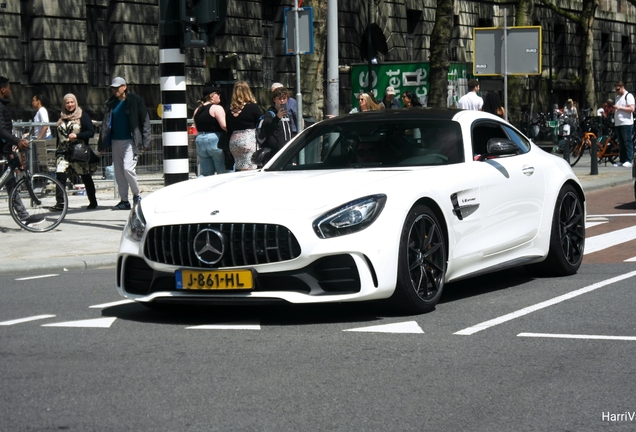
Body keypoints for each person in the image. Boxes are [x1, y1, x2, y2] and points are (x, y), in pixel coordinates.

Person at [98, 77, 151, 210]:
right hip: (115, 141)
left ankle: (137, 195)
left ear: (124, 87)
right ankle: (124, 200)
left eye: (117, 87)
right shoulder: (110, 103)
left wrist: (146, 140)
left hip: (130, 141)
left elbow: (145, 119)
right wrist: (102, 144)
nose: (115, 90)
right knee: (119, 172)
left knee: (128, 169)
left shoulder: (135, 100)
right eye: (113, 88)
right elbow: (105, 124)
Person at [0, 76, 45, 225]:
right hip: (2, 152)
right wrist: (17, 141)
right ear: (2, 90)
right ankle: (24, 216)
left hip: (5, 151)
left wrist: (12, 147)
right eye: (9, 88)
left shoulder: (3, 106)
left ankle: (24, 217)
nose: (10, 91)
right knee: (10, 183)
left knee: (11, 184)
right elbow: (1, 130)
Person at [52, 94, 98, 210]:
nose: (70, 105)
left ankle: (93, 201)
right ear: (64, 104)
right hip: (63, 152)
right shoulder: (62, 117)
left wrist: (77, 135)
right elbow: (58, 136)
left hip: (78, 152)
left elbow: (90, 132)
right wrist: (57, 152)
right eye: (67, 103)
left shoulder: (82, 115)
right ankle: (60, 204)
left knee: (85, 176)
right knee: (60, 175)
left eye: (72, 102)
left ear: (75, 102)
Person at [226, 81, 262, 171]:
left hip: (234, 141)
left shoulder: (228, 109)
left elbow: (228, 127)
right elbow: (261, 122)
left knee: (239, 167)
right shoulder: (252, 107)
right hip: (248, 139)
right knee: (251, 167)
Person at [192, 86, 227, 176]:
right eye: (218, 94)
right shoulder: (216, 108)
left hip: (200, 139)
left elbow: (196, 126)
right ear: (212, 96)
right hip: (214, 139)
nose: (219, 96)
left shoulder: (197, 110)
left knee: (206, 173)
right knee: (222, 172)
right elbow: (224, 125)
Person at [256, 86, 293, 164]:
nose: (282, 101)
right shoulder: (270, 114)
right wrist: (277, 118)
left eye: (284, 98)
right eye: (279, 99)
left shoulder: (287, 115)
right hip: (274, 153)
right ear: (274, 100)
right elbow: (267, 131)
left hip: (287, 151)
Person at [612, 81, 635, 168]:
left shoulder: (628, 96)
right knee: (621, 143)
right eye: (616, 90)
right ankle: (622, 160)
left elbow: (632, 108)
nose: (617, 91)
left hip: (626, 122)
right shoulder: (617, 97)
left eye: (618, 89)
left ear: (622, 87)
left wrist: (620, 108)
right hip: (618, 123)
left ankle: (629, 160)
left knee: (627, 141)